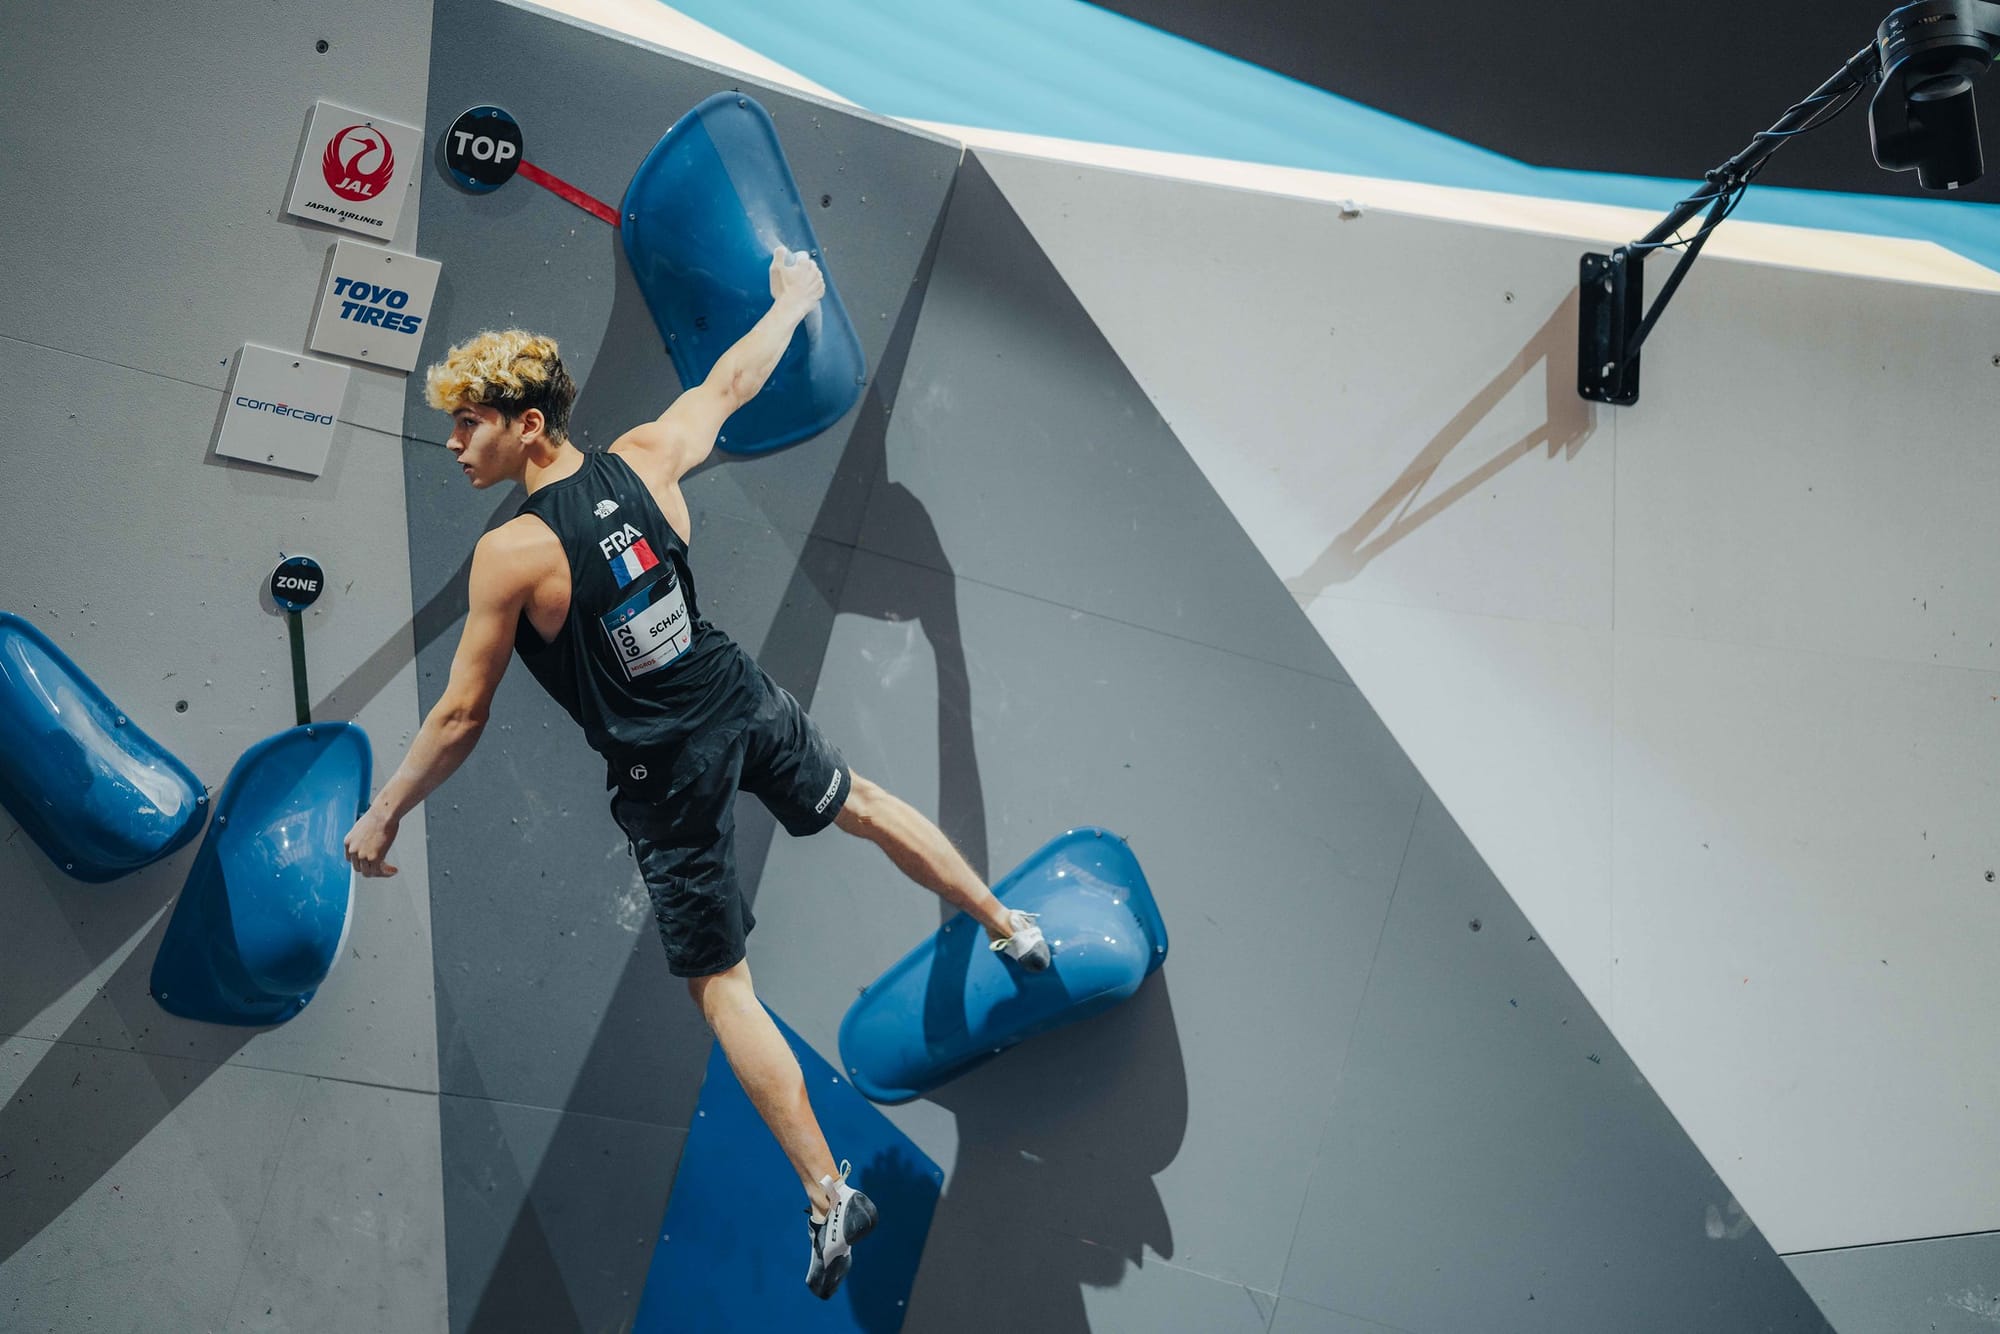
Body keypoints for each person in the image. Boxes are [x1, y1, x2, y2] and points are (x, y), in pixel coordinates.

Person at [341, 246, 1049, 1300]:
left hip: (662, 766)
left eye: (469, 423)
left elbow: (460, 711)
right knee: (857, 800)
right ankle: (1006, 923)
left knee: (718, 984)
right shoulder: (643, 457)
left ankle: (824, 1194)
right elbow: (731, 383)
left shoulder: (515, 552)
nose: (452, 443)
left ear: (527, 423)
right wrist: (797, 298)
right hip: (735, 693)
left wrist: (387, 808)